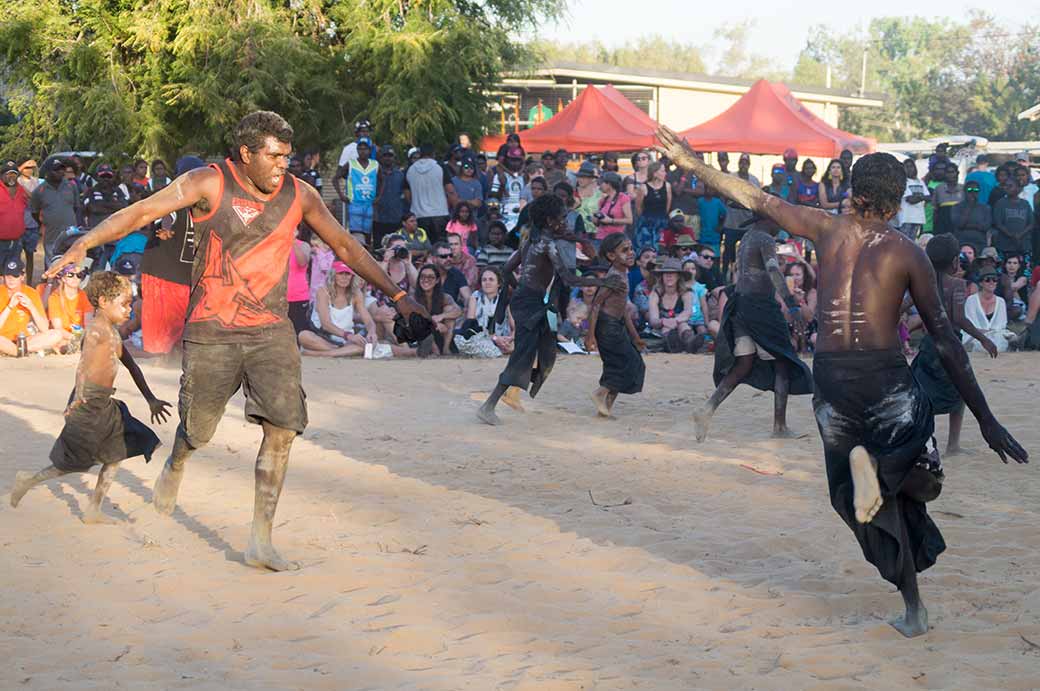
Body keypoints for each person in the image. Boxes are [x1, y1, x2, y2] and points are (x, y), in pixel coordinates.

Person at [657, 126, 1027, 637]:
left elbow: (752, 194)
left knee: (872, 503)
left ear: (855, 190)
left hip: (832, 382)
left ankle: (913, 608)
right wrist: (986, 419)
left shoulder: (825, 228)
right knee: (922, 482)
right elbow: (943, 339)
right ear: (896, 203)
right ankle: (878, 464)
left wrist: (690, 163)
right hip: (885, 382)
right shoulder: (906, 252)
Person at [50, 110, 430, 571]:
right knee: (199, 431)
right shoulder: (208, 183)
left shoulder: (300, 195)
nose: (282, 166)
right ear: (246, 153)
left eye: (287, 157)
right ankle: (178, 459)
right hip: (212, 331)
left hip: (272, 331)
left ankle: (260, 540)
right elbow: (143, 211)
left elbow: (346, 247)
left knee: (283, 427)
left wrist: (399, 295)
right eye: (273, 156)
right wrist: (83, 243)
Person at [9, 272, 171, 522]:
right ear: (104, 301)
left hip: (105, 403)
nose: (129, 310)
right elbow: (83, 367)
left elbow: (132, 366)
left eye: (130, 304)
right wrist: (77, 400)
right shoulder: (96, 330)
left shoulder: (114, 332)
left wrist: (151, 398)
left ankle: (94, 509)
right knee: (73, 463)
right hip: (87, 402)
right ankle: (27, 481)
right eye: (124, 304)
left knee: (117, 452)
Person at [477, 195, 622, 425]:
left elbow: (506, 269)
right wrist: (603, 282)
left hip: (528, 301)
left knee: (545, 351)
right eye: (562, 218)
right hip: (531, 303)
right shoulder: (548, 244)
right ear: (550, 220)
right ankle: (489, 405)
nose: (566, 222)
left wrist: (520, 289)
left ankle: (508, 393)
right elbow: (568, 278)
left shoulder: (532, 240)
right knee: (523, 355)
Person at [911, 235, 998, 456]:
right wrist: (983, 338)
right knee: (959, 394)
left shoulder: (923, 283)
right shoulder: (957, 285)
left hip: (928, 347)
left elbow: (903, 306)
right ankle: (953, 445)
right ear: (955, 262)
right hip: (950, 346)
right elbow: (959, 319)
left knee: (924, 395)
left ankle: (926, 443)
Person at [586, 234, 644, 418]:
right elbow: (596, 304)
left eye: (631, 249)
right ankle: (599, 394)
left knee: (625, 363)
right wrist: (590, 335)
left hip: (616, 325)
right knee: (624, 364)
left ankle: (605, 409)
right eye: (624, 250)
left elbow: (623, 309)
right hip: (607, 327)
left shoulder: (623, 274)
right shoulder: (615, 278)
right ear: (611, 256)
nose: (631, 253)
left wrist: (635, 336)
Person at [297, 261, 381, 357]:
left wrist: (372, 332)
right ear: (333, 275)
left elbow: (368, 319)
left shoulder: (356, 293)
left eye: (347, 274)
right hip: (325, 336)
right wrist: (349, 336)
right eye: (340, 273)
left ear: (352, 277)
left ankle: (323, 353)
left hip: (346, 340)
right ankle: (343, 351)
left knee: (364, 345)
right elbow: (326, 325)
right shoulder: (323, 291)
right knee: (304, 336)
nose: (344, 278)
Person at [0, 256, 68, 356]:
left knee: (56, 334)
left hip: (24, 340)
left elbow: (44, 328)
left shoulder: (31, 293)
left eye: (15, 276)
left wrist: (31, 307)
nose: (11, 280)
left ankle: (18, 351)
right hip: (3, 339)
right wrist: (9, 307)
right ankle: (17, 351)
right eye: (8, 276)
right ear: (3, 277)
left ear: (22, 277)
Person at [31, 158, 81, 271]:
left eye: (62, 169)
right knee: (52, 265)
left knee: (71, 264)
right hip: (51, 234)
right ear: (48, 172)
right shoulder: (39, 191)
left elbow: (77, 208)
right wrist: (44, 223)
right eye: (56, 170)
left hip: (71, 233)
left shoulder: (71, 186)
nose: (60, 172)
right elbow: (34, 212)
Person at [648, 258, 704, 353]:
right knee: (667, 328)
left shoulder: (687, 292)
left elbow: (687, 312)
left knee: (683, 325)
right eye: (666, 273)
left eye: (672, 273)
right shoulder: (655, 293)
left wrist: (675, 321)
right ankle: (671, 344)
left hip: (681, 324)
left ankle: (690, 343)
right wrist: (664, 322)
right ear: (662, 276)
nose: (669, 276)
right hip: (661, 329)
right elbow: (653, 319)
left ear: (678, 276)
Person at [457, 266, 514, 355]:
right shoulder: (475, 297)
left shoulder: (506, 300)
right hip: (479, 337)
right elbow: (470, 325)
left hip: (503, 338)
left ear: (498, 284)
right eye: (484, 280)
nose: (487, 282)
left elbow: (514, 327)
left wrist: (509, 339)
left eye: (491, 280)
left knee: (514, 345)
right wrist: (494, 338)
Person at [333, 137, 379, 243]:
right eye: (360, 149)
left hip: (369, 204)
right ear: (357, 150)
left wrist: (378, 197)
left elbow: (382, 181)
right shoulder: (351, 164)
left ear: (369, 150)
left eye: (365, 149)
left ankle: (367, 255)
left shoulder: (375, 164)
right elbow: (335, 178)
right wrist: (341, 195)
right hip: (355, 203)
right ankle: (356, 257)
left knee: (368, 234)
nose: (363, 151)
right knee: (356, 235)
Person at [406, 144, 453, 243]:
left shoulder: (410, 170)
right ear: (433, 153)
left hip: (419, 215)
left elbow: (407, 195)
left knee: (423, 246)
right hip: (440, 214)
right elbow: (450, 190)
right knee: (441, 247)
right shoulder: (440, 167)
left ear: (420, 154)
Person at [412, 264, 462, 356]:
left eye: (430, 277)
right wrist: (433, 323)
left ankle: (446, 349)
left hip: (440, 334)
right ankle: (434, 350)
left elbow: (458, 311)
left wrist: (441, 316)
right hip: (421, 335)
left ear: (437, 280)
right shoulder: (413, 298)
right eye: (422, 277)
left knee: (449, 309)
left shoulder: (444, 297)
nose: (426, 280)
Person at [963, 269, 1013, 353]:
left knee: (1002, 341)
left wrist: (992, 333)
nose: (991, 282)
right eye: (987, 280)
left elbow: (1001, 325)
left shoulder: (1001, 301)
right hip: (975, 337)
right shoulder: (971, 300)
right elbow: (970, 325)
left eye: (995, 280)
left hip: (996, 337)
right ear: (981, 283)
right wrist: (985, 333)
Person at [47, 263, 92, 344]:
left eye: (79, 275)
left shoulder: (84, 296)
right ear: (63, 278)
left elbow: (88, 324)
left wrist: (82, 337)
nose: (75, 278)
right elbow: (58, 328)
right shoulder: (55, 297)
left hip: (81, 335)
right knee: (56, 336)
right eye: (70, 275)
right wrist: (74, 338)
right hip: (62, 336)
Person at [990, 176, 1034, 257]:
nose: (1006, 188)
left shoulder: (1025, 204)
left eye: (1010, 186)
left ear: (1018, 188)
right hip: (1004, 245)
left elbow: (1031, 223)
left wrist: (1020, 235)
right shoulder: (1000, 203)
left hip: (1023, 244)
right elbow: (998, 223)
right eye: (1005, 185)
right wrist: (1012, 235)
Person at [633, 162, 672, 251]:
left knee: (661, 250)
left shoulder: (667, 186)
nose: (665, 173)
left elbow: (668, 206)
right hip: (646, 224)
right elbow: (638, 208)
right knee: (645, 249)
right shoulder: (643, 187)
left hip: (662, 223)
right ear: (654, 173)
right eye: (662, 171)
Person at [489, 147, 526, 234]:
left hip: (522, 216)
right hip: (505, 216)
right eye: (512, 160)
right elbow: (493, 196)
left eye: (517, 160)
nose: (515, 163)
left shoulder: (525, 176)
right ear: (507, 160)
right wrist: (502, 186)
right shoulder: (499, 176)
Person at [1, 160, 30, 268]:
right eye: (8, 174)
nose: (11, 177)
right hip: (1, 242)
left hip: (17, 241)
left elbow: (34, 201)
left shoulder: (21, 190)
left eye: (14, 174)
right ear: (2, 175)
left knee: (12, 272)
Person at [429, 240, 471, 305]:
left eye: (450, 255)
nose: (449, 259)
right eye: (444, 256)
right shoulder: (426, 273)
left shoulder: (457, 274)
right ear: (434, 259)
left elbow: (467, 297)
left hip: (450, 312)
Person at [593, 172, 632, 241]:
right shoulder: (602, 200)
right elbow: (598, 222)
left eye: (602, 183)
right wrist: (595, 220)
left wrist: (611, 221)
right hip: (601, 237)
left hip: (616, 239)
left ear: (609, 184)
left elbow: (629, 220)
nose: (600, 186)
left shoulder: (623, 198)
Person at [931, 162, 963, 235]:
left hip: (958, 223)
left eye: (952, 172)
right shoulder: (939, 188)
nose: (950, 175)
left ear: (957, 173)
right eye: (948, 172)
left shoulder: (963, 188)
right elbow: (935, 209)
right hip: (942, 224)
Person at [696, 185, 727, 255]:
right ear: (705, 190)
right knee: (703, 256)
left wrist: (721, 225)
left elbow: (724, 214)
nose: (709, 191)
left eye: (711, 190)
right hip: (702, 235)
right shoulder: (700, 201)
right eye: (707, 189)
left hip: (714, 236)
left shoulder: (717, 202)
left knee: (714, 257)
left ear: (714, 191)